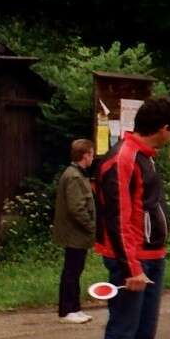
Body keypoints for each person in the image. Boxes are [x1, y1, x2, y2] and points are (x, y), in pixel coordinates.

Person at [93, 96, 170, 339]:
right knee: (122, 334)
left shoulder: (146, 157)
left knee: (144, 334)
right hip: (131, 263)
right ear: (164, 128)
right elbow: (118, 221)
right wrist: (132, 269)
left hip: (153, 258)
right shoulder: (122, 159)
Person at [53, 138, 96, 323]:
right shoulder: (74, 176)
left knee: (75, 270)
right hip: (75, 233)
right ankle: (67, 310)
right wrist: (91, 226)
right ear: (85, 155)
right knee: (71, 271)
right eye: (92, 154)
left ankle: (75, 308)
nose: (93, 158)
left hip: (77, 234)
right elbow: (76, 208)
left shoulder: (77, 174)